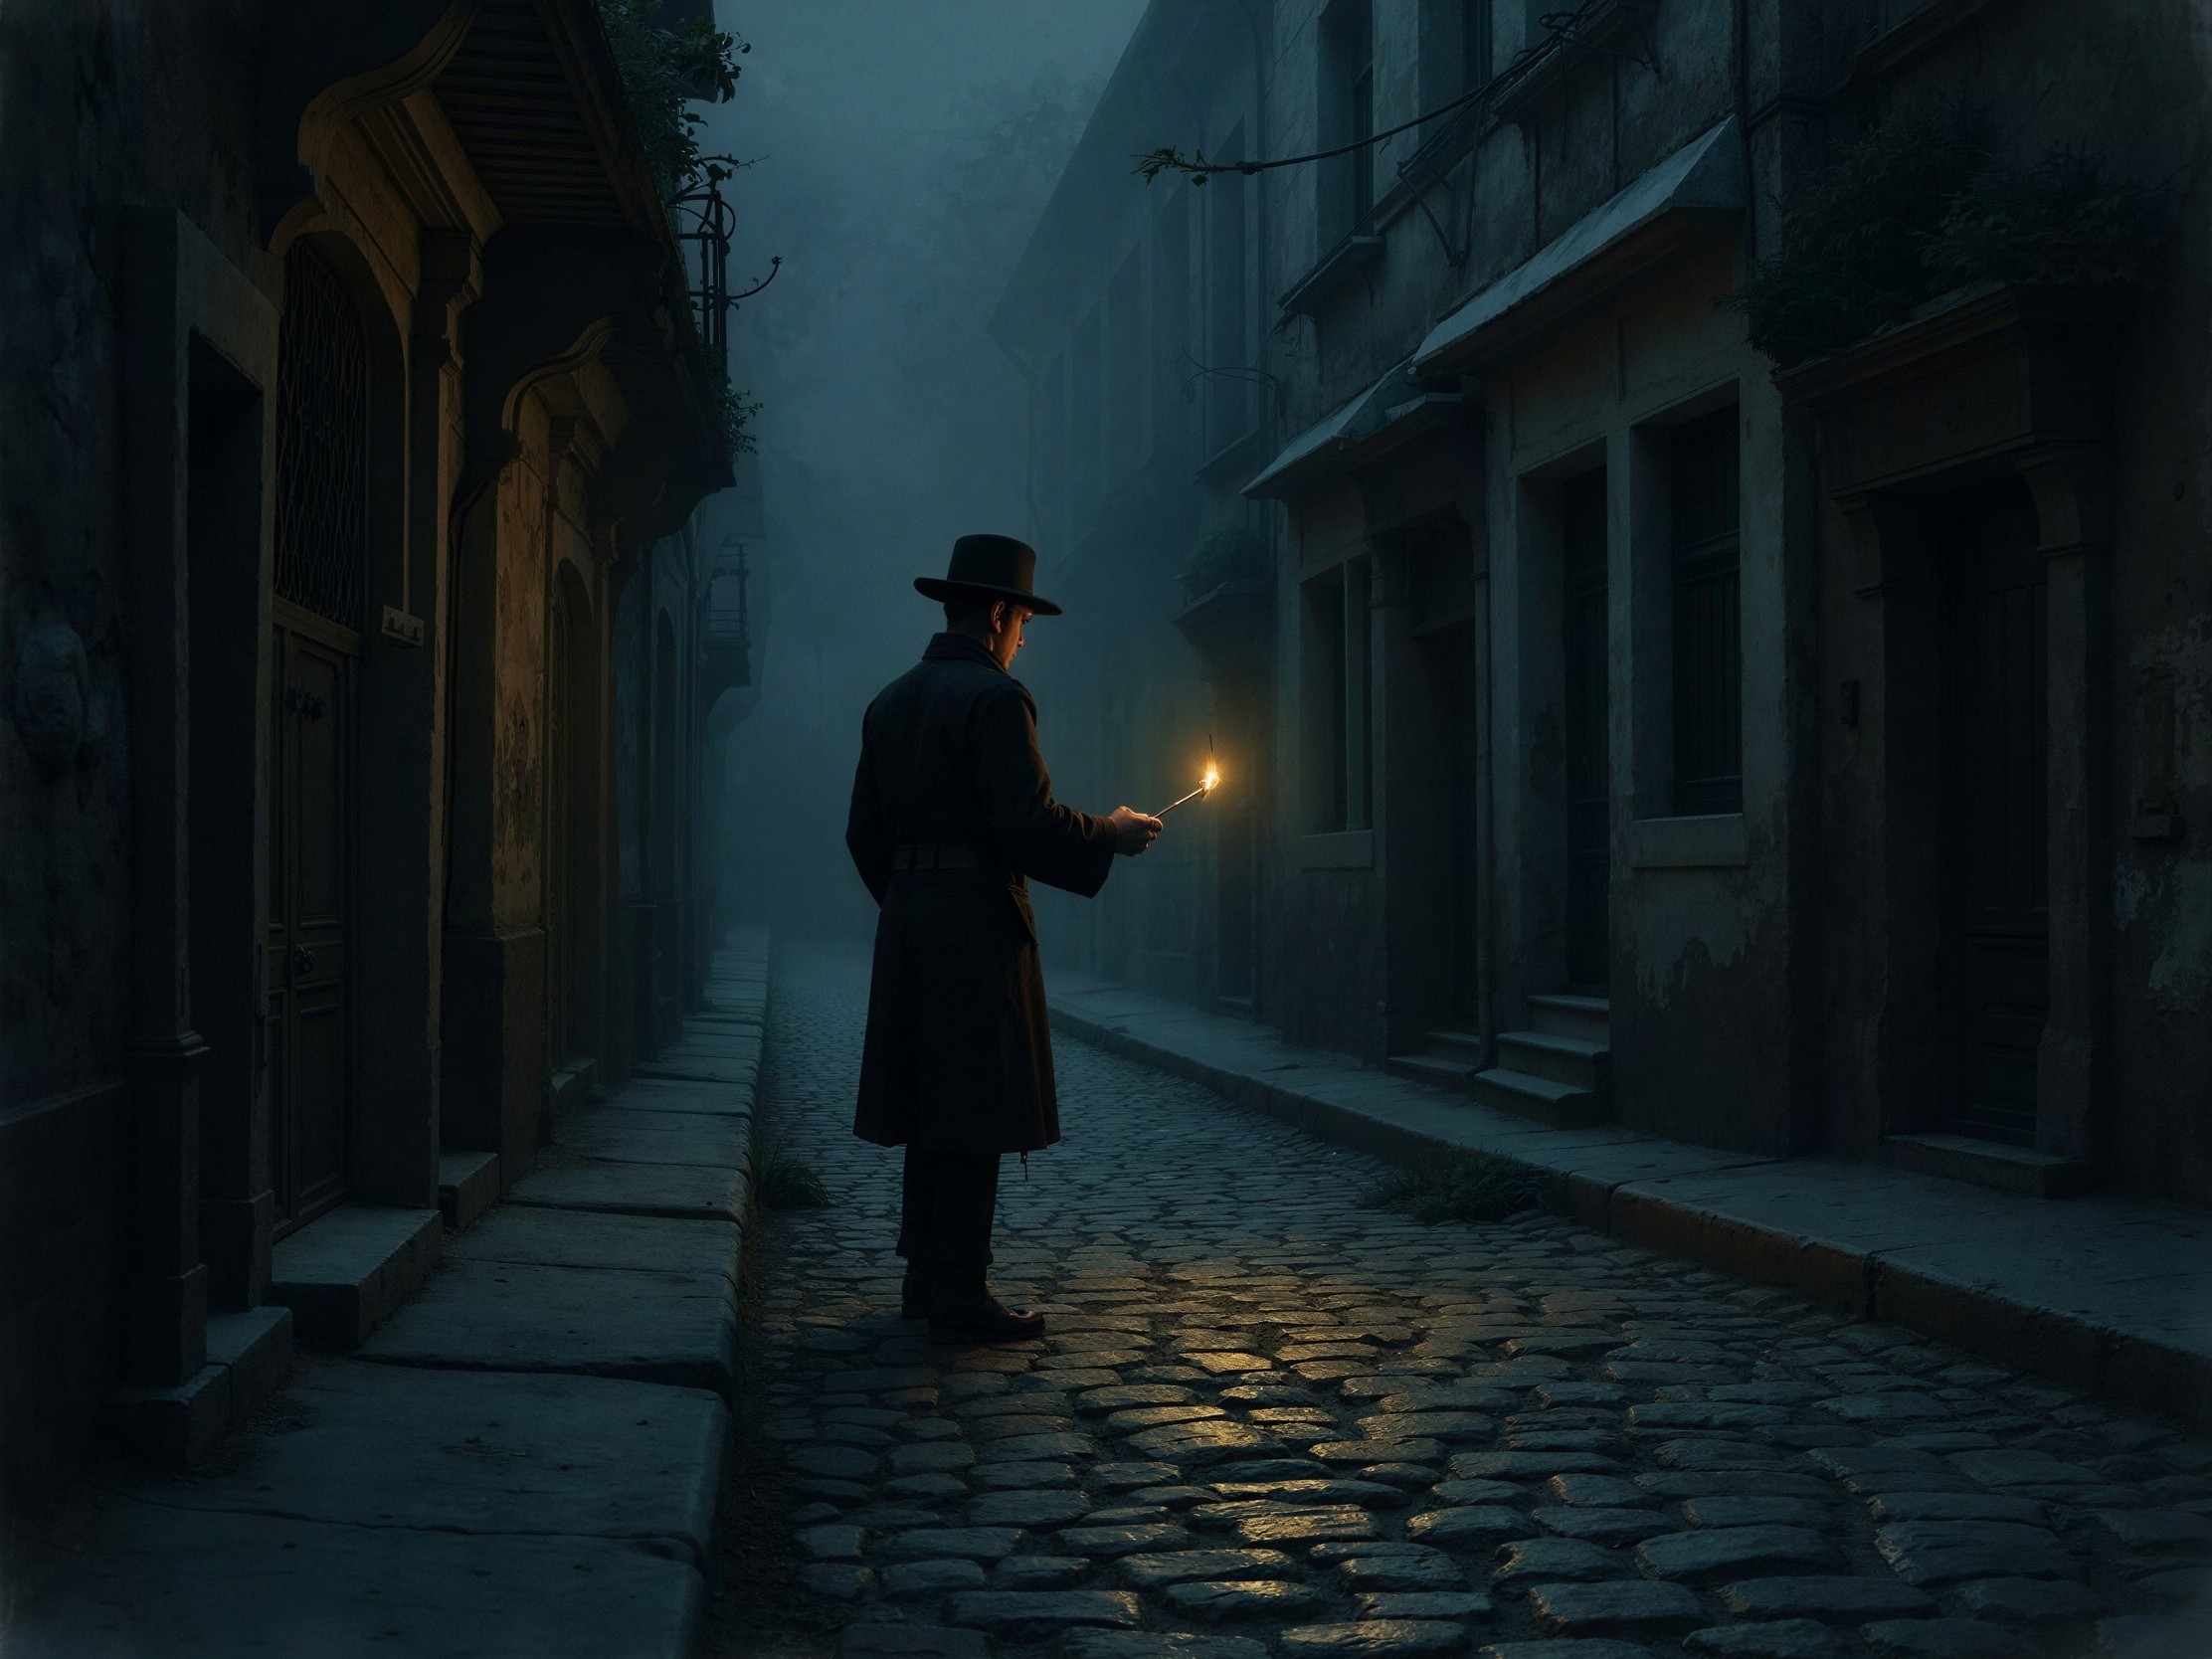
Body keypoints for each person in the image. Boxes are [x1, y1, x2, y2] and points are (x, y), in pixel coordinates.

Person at [845, 534, 1162, 1343]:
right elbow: (1027, 823)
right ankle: (960, 1292)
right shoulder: (996, 701)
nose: (1022, 639)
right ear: (997, 614)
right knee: (974, 1100)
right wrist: (1110, 833)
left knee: (928, 1099)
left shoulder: (890, 700)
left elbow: (862, 834)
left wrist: (913, 897)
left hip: (909, 918)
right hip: (973, 921)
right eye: (1022, 622)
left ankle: (926, 1274)